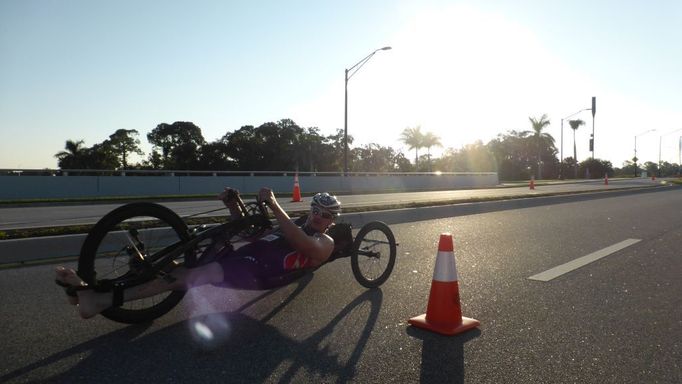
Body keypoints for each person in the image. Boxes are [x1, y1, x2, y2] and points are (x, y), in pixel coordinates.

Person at [55, 187, 346, 319]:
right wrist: (234, 206)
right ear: (311, 209)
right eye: (317, 211)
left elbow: (304, 246)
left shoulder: (325, 241)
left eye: (326, 215)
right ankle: (91, 290)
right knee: (185, 260)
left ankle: (99, 301)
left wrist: (273, 204)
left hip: (261, 272)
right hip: (245, 257)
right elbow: (251, 233)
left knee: (193, 276)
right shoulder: (292, 224)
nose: (319, 217)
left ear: (332, 220)